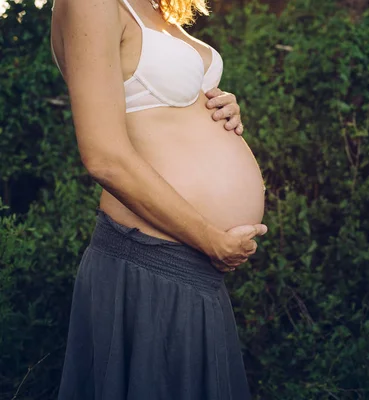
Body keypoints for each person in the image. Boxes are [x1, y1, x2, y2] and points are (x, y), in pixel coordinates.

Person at [49, 0, 267, 397]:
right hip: (150, 263)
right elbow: (104, 157)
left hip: (195, 267)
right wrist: (210, 239)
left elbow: (160, 111)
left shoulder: (157, 8)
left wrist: (216, 107)